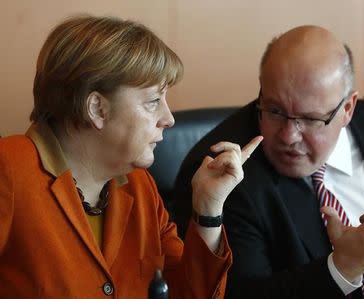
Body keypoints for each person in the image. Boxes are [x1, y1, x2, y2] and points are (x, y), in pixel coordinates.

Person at [173, 25, 364, 298]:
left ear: (347, 109)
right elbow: (241, 294)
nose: (289, 136)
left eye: (310, 119)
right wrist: (343, 268)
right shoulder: (221, 174)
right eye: (275, 110)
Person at [0, 15, 262, 298]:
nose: (169, 118)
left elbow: (185, 294)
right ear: (97, 108)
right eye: (153, 102)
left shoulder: (140, 185)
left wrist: (208, 210)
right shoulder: (9, 168)